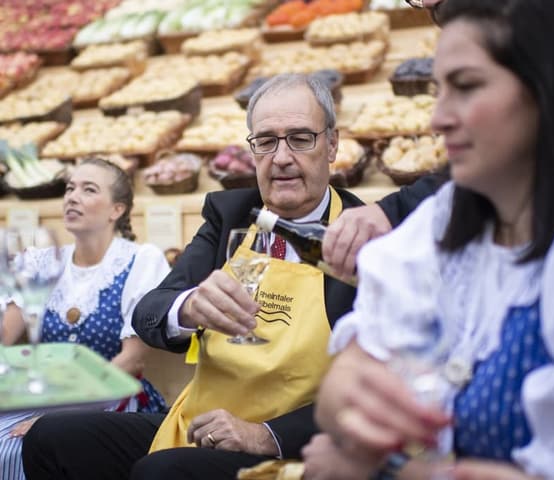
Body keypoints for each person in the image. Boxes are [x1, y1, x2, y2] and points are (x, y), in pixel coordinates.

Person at [313, 0, 554, 479]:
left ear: (553, 86)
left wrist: (392, 471)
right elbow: (351, 373)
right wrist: (349, 403)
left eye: (466, 87)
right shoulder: (449, 218)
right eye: (436, 91)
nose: (437, 119)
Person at [22, 73, 364, 480]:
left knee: (163, 472)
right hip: (203, 422)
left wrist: (266, 435)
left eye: (301, 138)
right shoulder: (231, 214)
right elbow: (149, 311)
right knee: (52, 437)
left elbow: (378, 386)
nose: (282, 157)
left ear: (332, 145)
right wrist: (188, 307)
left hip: (296, 445)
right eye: (266, 141)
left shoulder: (364, 236)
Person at [0, 157, 169, 480]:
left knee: (15, 447)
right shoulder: (42, 260)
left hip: (110, 399)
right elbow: (5, 336)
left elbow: (131, 361)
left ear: (116, 210)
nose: (72, 197)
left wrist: (63, 416)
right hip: (44, 394)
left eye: (88, 189)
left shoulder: (141, 261)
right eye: (69, 188)